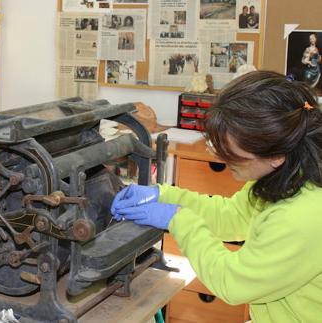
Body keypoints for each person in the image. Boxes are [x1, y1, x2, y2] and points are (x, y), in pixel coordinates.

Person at [111, 71, 322, 322]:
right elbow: (231, 216)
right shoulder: (286, 176)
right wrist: (163, 195)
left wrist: (179, 219)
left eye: (231, 154)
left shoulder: (303, 215)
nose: (221, 158)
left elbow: (233, 283)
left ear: (276, 155)